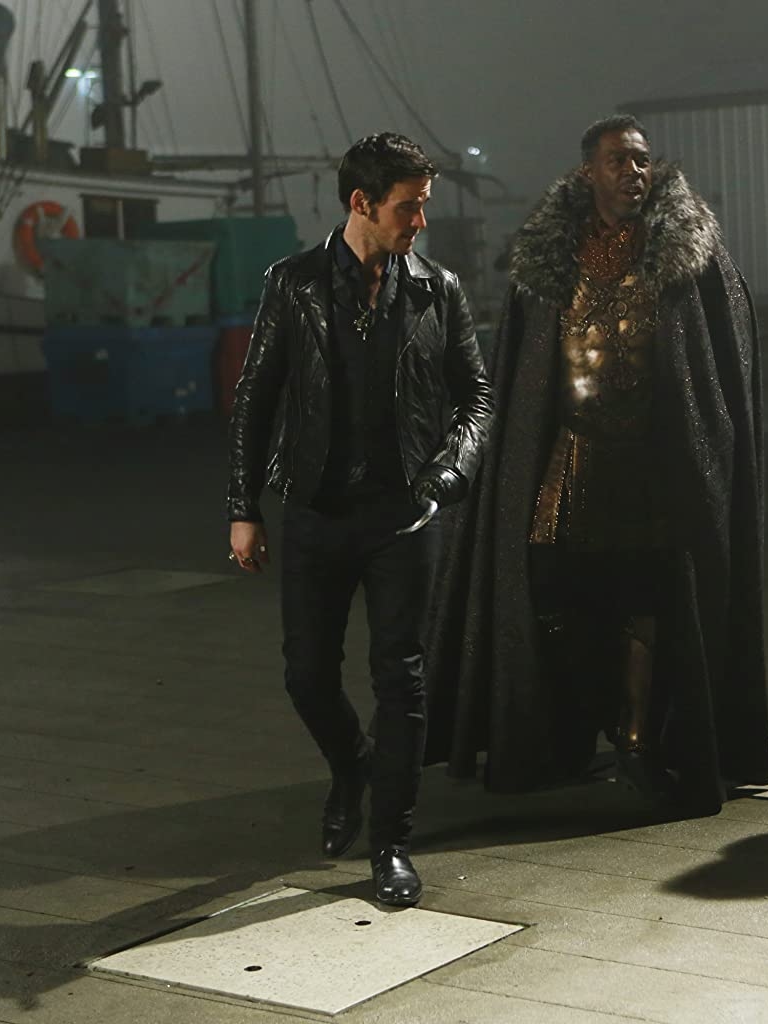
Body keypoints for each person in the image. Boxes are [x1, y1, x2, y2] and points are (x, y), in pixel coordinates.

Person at [426, 114, 768, 812]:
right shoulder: (550, 261)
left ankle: (639, 740)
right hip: (569, 457)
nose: (634, 172)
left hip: (651, 463)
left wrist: (706, 448)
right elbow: (523, 371)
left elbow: (720, 363)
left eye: (642, 160)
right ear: (590, 172)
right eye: (618, 160)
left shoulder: (687, 257)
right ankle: (569, 728)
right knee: (553, 593)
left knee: (648, 600)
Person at [226, 133, 493, 906]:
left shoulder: (438, 290)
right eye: (409, 207)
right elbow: (256, 397)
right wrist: (243, 507)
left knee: (400, 679)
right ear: (361, 204)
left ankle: (392, 842)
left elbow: (477, 397)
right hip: (315, 512)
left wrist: (449, 472)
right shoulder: (294, 284)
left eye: (423, 206)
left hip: (405, 517)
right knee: (306, 674)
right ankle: (353, 765)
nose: (421, 222)